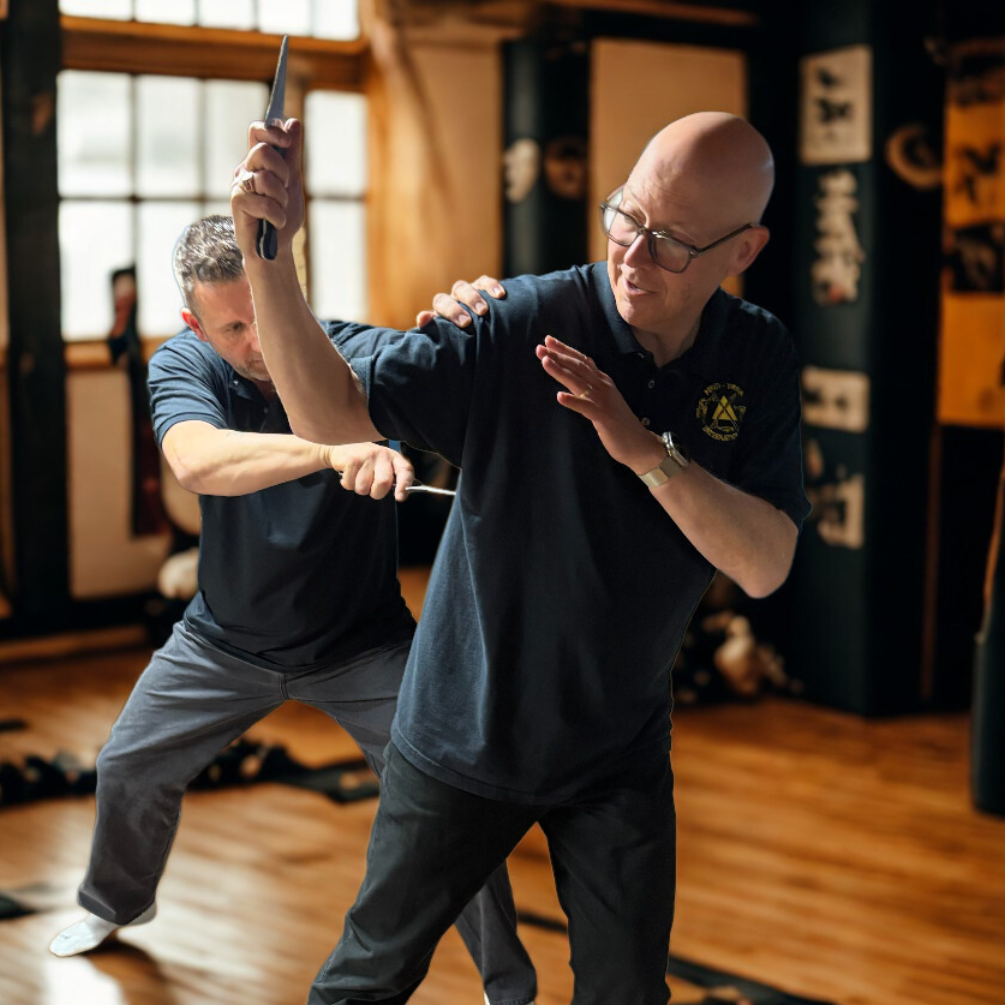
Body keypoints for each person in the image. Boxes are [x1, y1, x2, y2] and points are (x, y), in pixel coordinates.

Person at [231, 110, 810, 1005]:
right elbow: (330, 417)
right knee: (366, 979)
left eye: (670, 245)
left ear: (743, 250)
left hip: (616, 747)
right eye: (626, 215)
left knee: (626, 994)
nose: (631, 254)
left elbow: (766, 561)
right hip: (463, 731)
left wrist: (642, 446)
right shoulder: (526, 321)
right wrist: (271, 259)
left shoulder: (756, 353)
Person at [48, 215, 538, 1005]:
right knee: (128, 764)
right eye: (233, 326)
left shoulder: (351, 353)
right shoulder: (183, 364)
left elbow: (458, 381)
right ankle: (114, 904)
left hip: (364, 647)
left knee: (448, 795)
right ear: (194, 324)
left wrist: (471, 323)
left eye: (268, 314)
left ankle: (505, 984)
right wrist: (331, 451)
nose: (258, 339)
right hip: (222, 644)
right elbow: (195, 461)